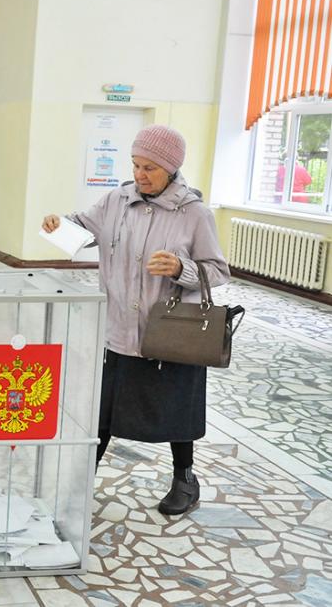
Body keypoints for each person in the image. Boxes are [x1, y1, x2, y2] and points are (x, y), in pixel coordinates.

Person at [41, 125, 229, 516]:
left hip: (170, 333)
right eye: (136, 165)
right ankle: (80, 480)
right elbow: (83, 228)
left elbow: (218, 271)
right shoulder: (116, 199)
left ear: (172, 169)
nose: (140, 175)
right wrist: (59, 225)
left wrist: (182, 267)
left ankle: (185, 478)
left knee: (178, 407)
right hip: (118, 331)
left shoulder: (195, 214)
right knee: (104, 408)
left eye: (151, 168)